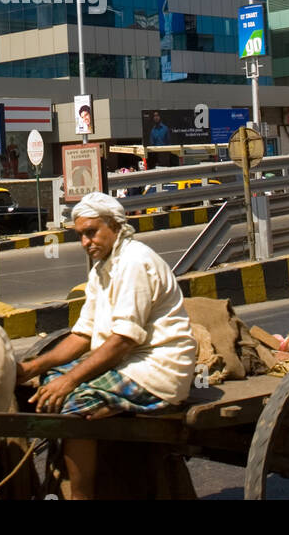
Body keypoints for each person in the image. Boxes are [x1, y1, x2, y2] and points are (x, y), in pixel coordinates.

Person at [15, 192, 196, 499]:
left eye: (92, 232)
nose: (86, 242)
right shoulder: (101, 269)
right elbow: (82, 336)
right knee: (47, 383)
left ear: (114, 225)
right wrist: (31, 368)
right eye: (81, 236)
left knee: (72, 401)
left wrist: (70, 380)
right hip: (125, 362)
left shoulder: (134, 262)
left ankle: (81, 496)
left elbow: (122, 342)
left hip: (156, 369)